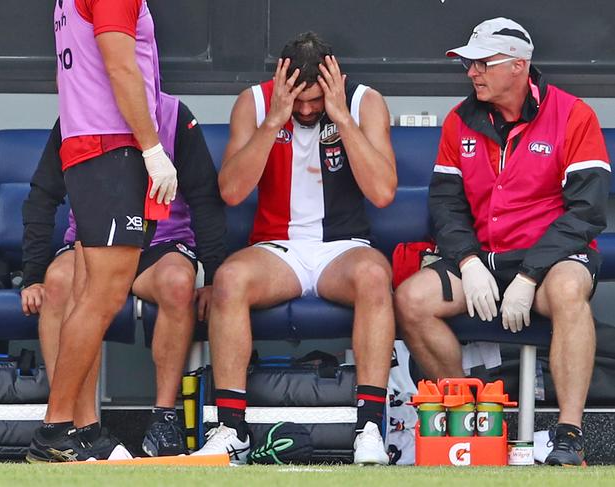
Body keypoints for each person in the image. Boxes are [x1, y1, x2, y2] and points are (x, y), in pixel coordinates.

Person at [394, 18, 611, 467]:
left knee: (571, 292)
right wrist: (469, 261)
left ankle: (569, 435)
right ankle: (471, 419)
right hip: (485, 258)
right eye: (468, 64)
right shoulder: (459, 119)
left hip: (551, 261)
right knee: (412, 298)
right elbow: (446, 205)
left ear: (519, 66)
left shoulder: (574, 114)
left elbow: (586, 213)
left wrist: (531, 274)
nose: (472, 72)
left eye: (482, 63)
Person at [191, 32, 397, 465]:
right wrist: (273, 121)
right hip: (276, 250)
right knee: (228, 279)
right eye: (297, 101)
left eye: (315, 101)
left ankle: (370, 428)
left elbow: (382, 193)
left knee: (375, 275)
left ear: (333, 80)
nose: (305, 110)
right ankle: (231, 429)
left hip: (342, 248)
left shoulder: (364, 102)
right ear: (281, 79)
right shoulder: (256, 102)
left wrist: (340, 117)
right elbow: (230, 191)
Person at [21, 93, 226, 458]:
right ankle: (66, 425)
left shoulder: (174, 115)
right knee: (56, 284)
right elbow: (43, 194)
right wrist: (33, 273)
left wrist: (210, 275)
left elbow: (205, 198)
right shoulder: (79, 111)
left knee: (179, 284)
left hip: (159, 246)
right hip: (94, 242)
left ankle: (164, 418)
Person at [26, 0, 178, 462]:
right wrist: (152, 148)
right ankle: (55, 429)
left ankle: (83, 429)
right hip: (112, 146)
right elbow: (120, 66)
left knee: (90, 293)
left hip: (90, 146)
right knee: (103, 297)